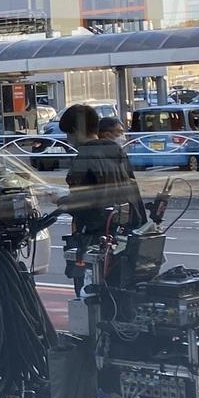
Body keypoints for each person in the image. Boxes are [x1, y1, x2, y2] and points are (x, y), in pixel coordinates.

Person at [59, 103, 144, 296]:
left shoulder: (83, 158)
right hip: (123, 236)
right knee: (119, 295)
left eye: (68, 134)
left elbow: (82, 205)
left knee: (90, 296)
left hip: (94, 239)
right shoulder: (116, 150)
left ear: (75, 130)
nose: (68, 139)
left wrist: (62, 201)